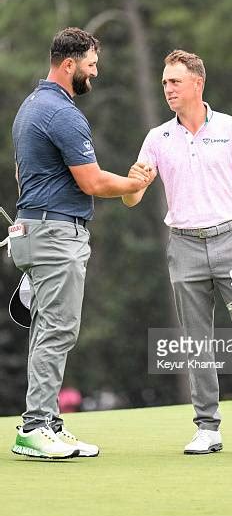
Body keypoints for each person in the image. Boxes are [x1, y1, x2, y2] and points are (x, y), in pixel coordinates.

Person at [122, 49, 232, 455]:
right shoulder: (157, 137)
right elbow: (132, 199)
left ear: (197, 83)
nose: (168, 89)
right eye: (164, 82)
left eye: (175, 82)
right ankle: (207, 428)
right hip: (184, 246)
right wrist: (133, 183)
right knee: (196, 340)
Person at [10, 27, 153, 459]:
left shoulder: (30, 106)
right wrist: (135, 182)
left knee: (45, 329)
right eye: (91, 65)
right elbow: (90, 181)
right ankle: (36, 427)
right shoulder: (63, 113)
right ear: (69, 64)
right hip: (56, 235)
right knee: (58, 330)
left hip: (31, 230)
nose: (95, 73)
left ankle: (47, 421)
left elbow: (22, 177)